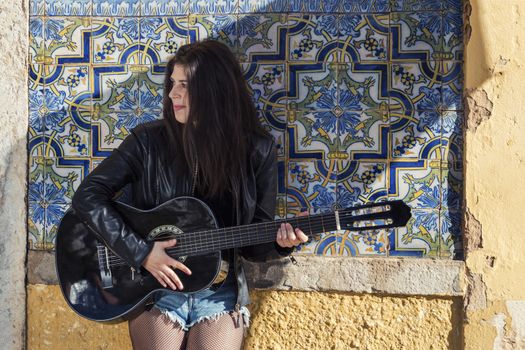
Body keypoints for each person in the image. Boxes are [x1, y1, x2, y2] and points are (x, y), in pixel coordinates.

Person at [71, 39, 308, 350]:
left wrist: (281, 244)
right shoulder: (148, 141)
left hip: (219, 292)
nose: (172, 94)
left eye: (184, 84)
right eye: (172, 83)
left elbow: (252, 246)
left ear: (212, 90)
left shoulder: (257, 150)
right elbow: (87, 195)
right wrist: (141, 253)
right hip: (153, 289)